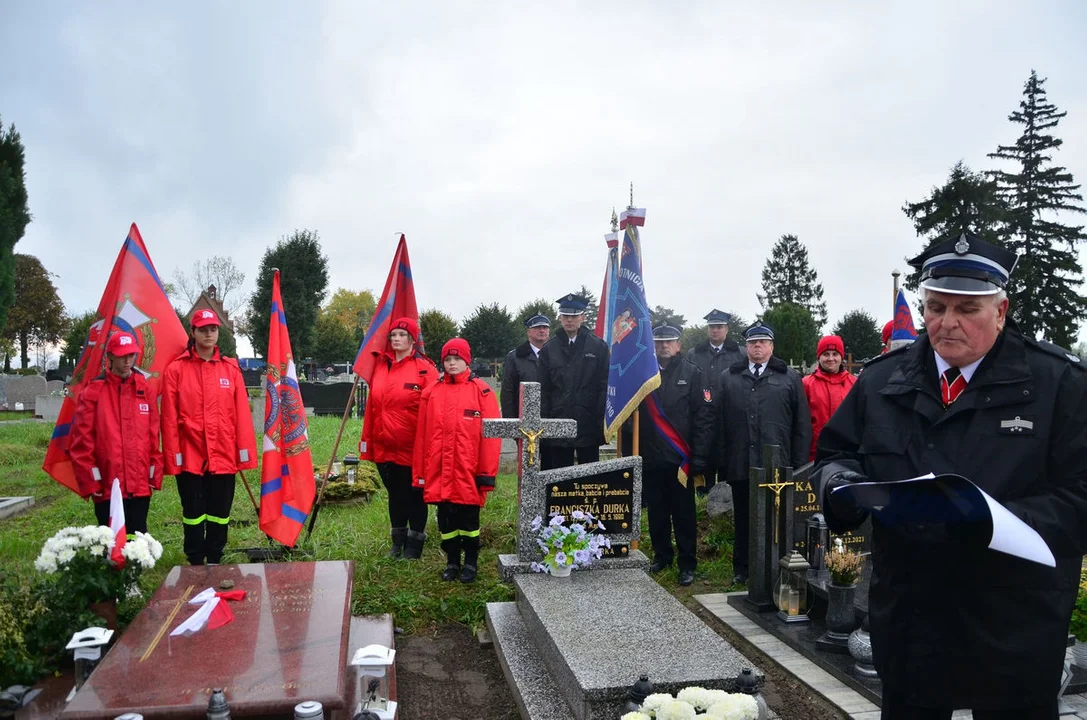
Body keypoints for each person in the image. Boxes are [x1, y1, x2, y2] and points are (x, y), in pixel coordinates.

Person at [814, 233, 1087, 718]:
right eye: (936, 307)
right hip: (912, 618)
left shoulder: (1058, 385)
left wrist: (993, 519)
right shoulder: (882, 381)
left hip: (1013, 620)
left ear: (1000, 312)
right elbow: (836, 453)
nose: (947, 323)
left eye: (967, 309)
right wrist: (838, 485)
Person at [715, 322, 810, 585]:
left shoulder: (789, 378)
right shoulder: (728, 377)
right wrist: (722, 463)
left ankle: (775, 567)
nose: (757, 346)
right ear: (746, 347)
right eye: (752, 342)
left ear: (771, 346)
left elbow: (801, 424)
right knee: (744, 518)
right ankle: (742, 568)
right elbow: (719, 423)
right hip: (741, 461)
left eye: (762, 342)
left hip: (777, 464)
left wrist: (799, 465)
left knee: (777, 520)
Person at [162, 309, 257, 565]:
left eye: (213, 329)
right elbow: (169, 419)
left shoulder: (230, 370)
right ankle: (195, 559)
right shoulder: (176, 370)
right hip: (190, 454)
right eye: (203, 329)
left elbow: (242, 417)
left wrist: (243, 454)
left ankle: (215, 556)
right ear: (192, 333)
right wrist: (174, 457)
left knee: (220, 512)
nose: (208, 334)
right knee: (193, 511)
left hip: (224, 454)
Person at [413, 339, 501, 584]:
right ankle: (452, 561)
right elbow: (422, 435)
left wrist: (486, 474)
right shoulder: (432, 392)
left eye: (457, 359)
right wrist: (421, 472)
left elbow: (490, 438)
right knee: (446, 519)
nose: (452, 364)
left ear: (467, 361)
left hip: (468, 472)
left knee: (469, 521)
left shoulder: (482, 392)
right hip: (440, 471)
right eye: (448, 360)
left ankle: (470, 562)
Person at [633, 325, 714, 586]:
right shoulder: (644, 375)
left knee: (684, 514)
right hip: (652, 457)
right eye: (658, 342)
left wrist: (700, 458)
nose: (664, 346)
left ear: (679, 345)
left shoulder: (693, 374)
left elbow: (703, 419)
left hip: (681, 460)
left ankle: (687, 563)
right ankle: (662, 556)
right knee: (657, 512)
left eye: (669, 342)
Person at [359, 317, 438, 559]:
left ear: (412, 340)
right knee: (395, 495)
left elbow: (435, 412)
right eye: (393, 335)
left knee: (414, 496)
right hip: (385, 446)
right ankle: (397, 540)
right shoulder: (381, 366)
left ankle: (415, 544)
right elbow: (373, 407)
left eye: (402, 335)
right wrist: (369, 442)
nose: (396, 339)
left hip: (412, 448)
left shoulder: (425, 370)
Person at [68, 331, 163, 534]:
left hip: (139, 483)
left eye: (131, 355)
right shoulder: (93, 392)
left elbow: (153, 436)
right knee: (111, 538)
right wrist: (92, 481)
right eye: (122, 356)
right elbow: (82, 441)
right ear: (109, 356)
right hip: (108, 483)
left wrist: (154, 474)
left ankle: (136, 566)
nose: (128, 361)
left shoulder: (144, 390)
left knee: (138, 536)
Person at [537, 293, 609, 469]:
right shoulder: (549, 349)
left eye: (574, 316)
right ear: (560, 318)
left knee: (590, 479)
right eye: (566, 316)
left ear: (582, 318)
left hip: (588, 422)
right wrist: (544, 423)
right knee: (557, 481)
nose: (570, 320)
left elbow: (604, 386)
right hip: (557, 422)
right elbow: (543, 390)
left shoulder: (598, 347)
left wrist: (600, 421)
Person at [686, 309, 745, 493]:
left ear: (727, 329)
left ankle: (727, 504)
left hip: (730, 416)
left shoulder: (740, 354)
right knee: (705, 463)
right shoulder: (694, 354)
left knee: (729, 463)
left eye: (719, 327)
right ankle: (704, 500)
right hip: (702, 417)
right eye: (712, 327)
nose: (715, 330)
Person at [801, 334, 857, 461]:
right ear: (819, 357)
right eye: (826, 354)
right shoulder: (806, 384)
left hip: (846, 452)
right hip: (815, 453)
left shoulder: (854, 384)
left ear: (841, 357)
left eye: (835, 354)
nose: (830, 358)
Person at [501, 313, 551, 418]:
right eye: (537, 327)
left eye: (545, 327)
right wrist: (510, 423)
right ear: (528, 332)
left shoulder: (556, 355)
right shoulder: (515, 357)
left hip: (551, 418)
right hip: (523, 419)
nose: (542, 330)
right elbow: (508, 393)